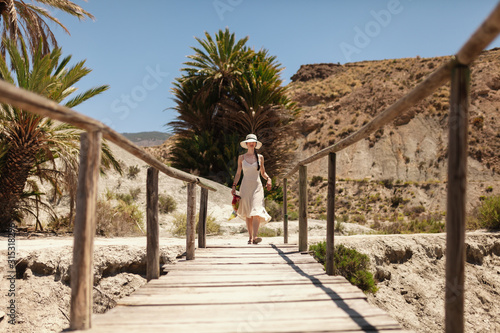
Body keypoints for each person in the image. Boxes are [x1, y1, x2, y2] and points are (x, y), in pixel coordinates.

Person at [231, 134, 272, 244]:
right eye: (249, 141)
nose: (251, 143)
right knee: (248, 212)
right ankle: (250, 237)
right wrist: (234, 186)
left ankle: (255, 237)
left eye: (253, 141)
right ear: (246, 143)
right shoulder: (241, 158)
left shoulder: (260, 157)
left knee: (256, 211)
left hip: (257, 187)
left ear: (255, 144)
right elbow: (238, 173)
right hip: (245, 187)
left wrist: (268, 179)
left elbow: (263, 173)